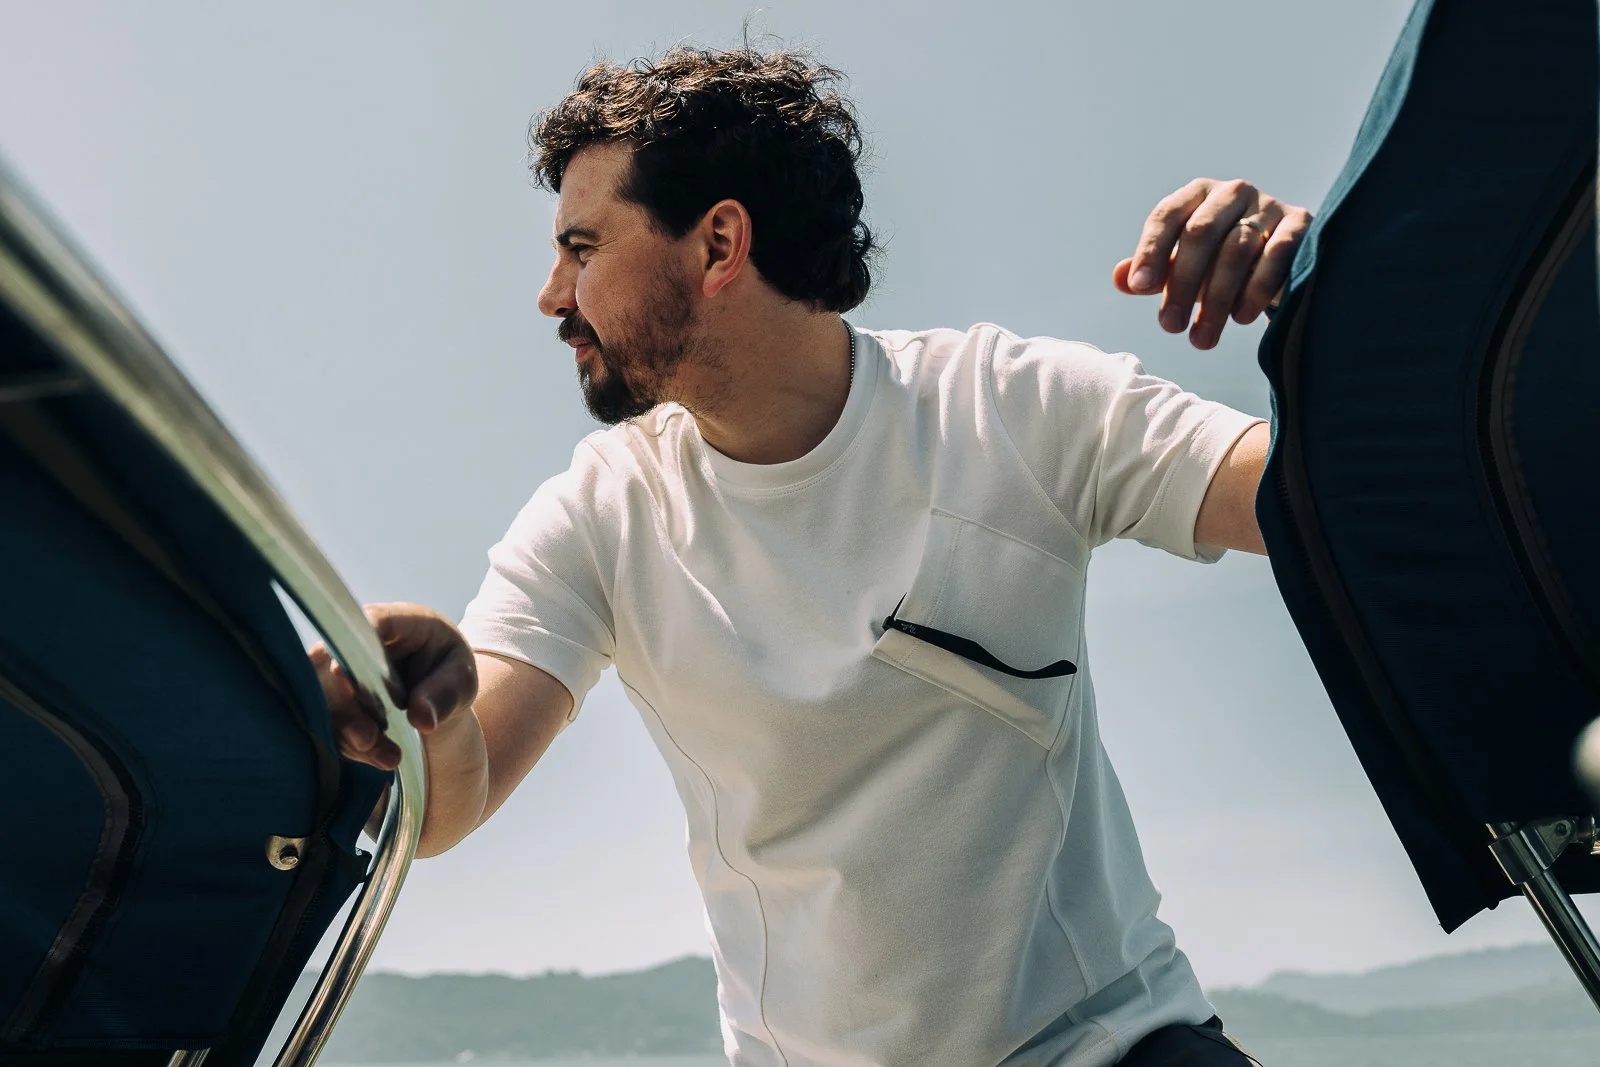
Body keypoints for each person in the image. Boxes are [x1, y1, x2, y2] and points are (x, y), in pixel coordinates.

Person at [315, 46, 1309, 1067]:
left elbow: (1309, 495)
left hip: (1107, 1047)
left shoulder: (1012, 408)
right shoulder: (602, 513)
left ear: (718, 245)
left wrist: (1322, 286)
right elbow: (450, 802)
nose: (551, 294)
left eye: (582, 247)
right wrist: (425, 706)